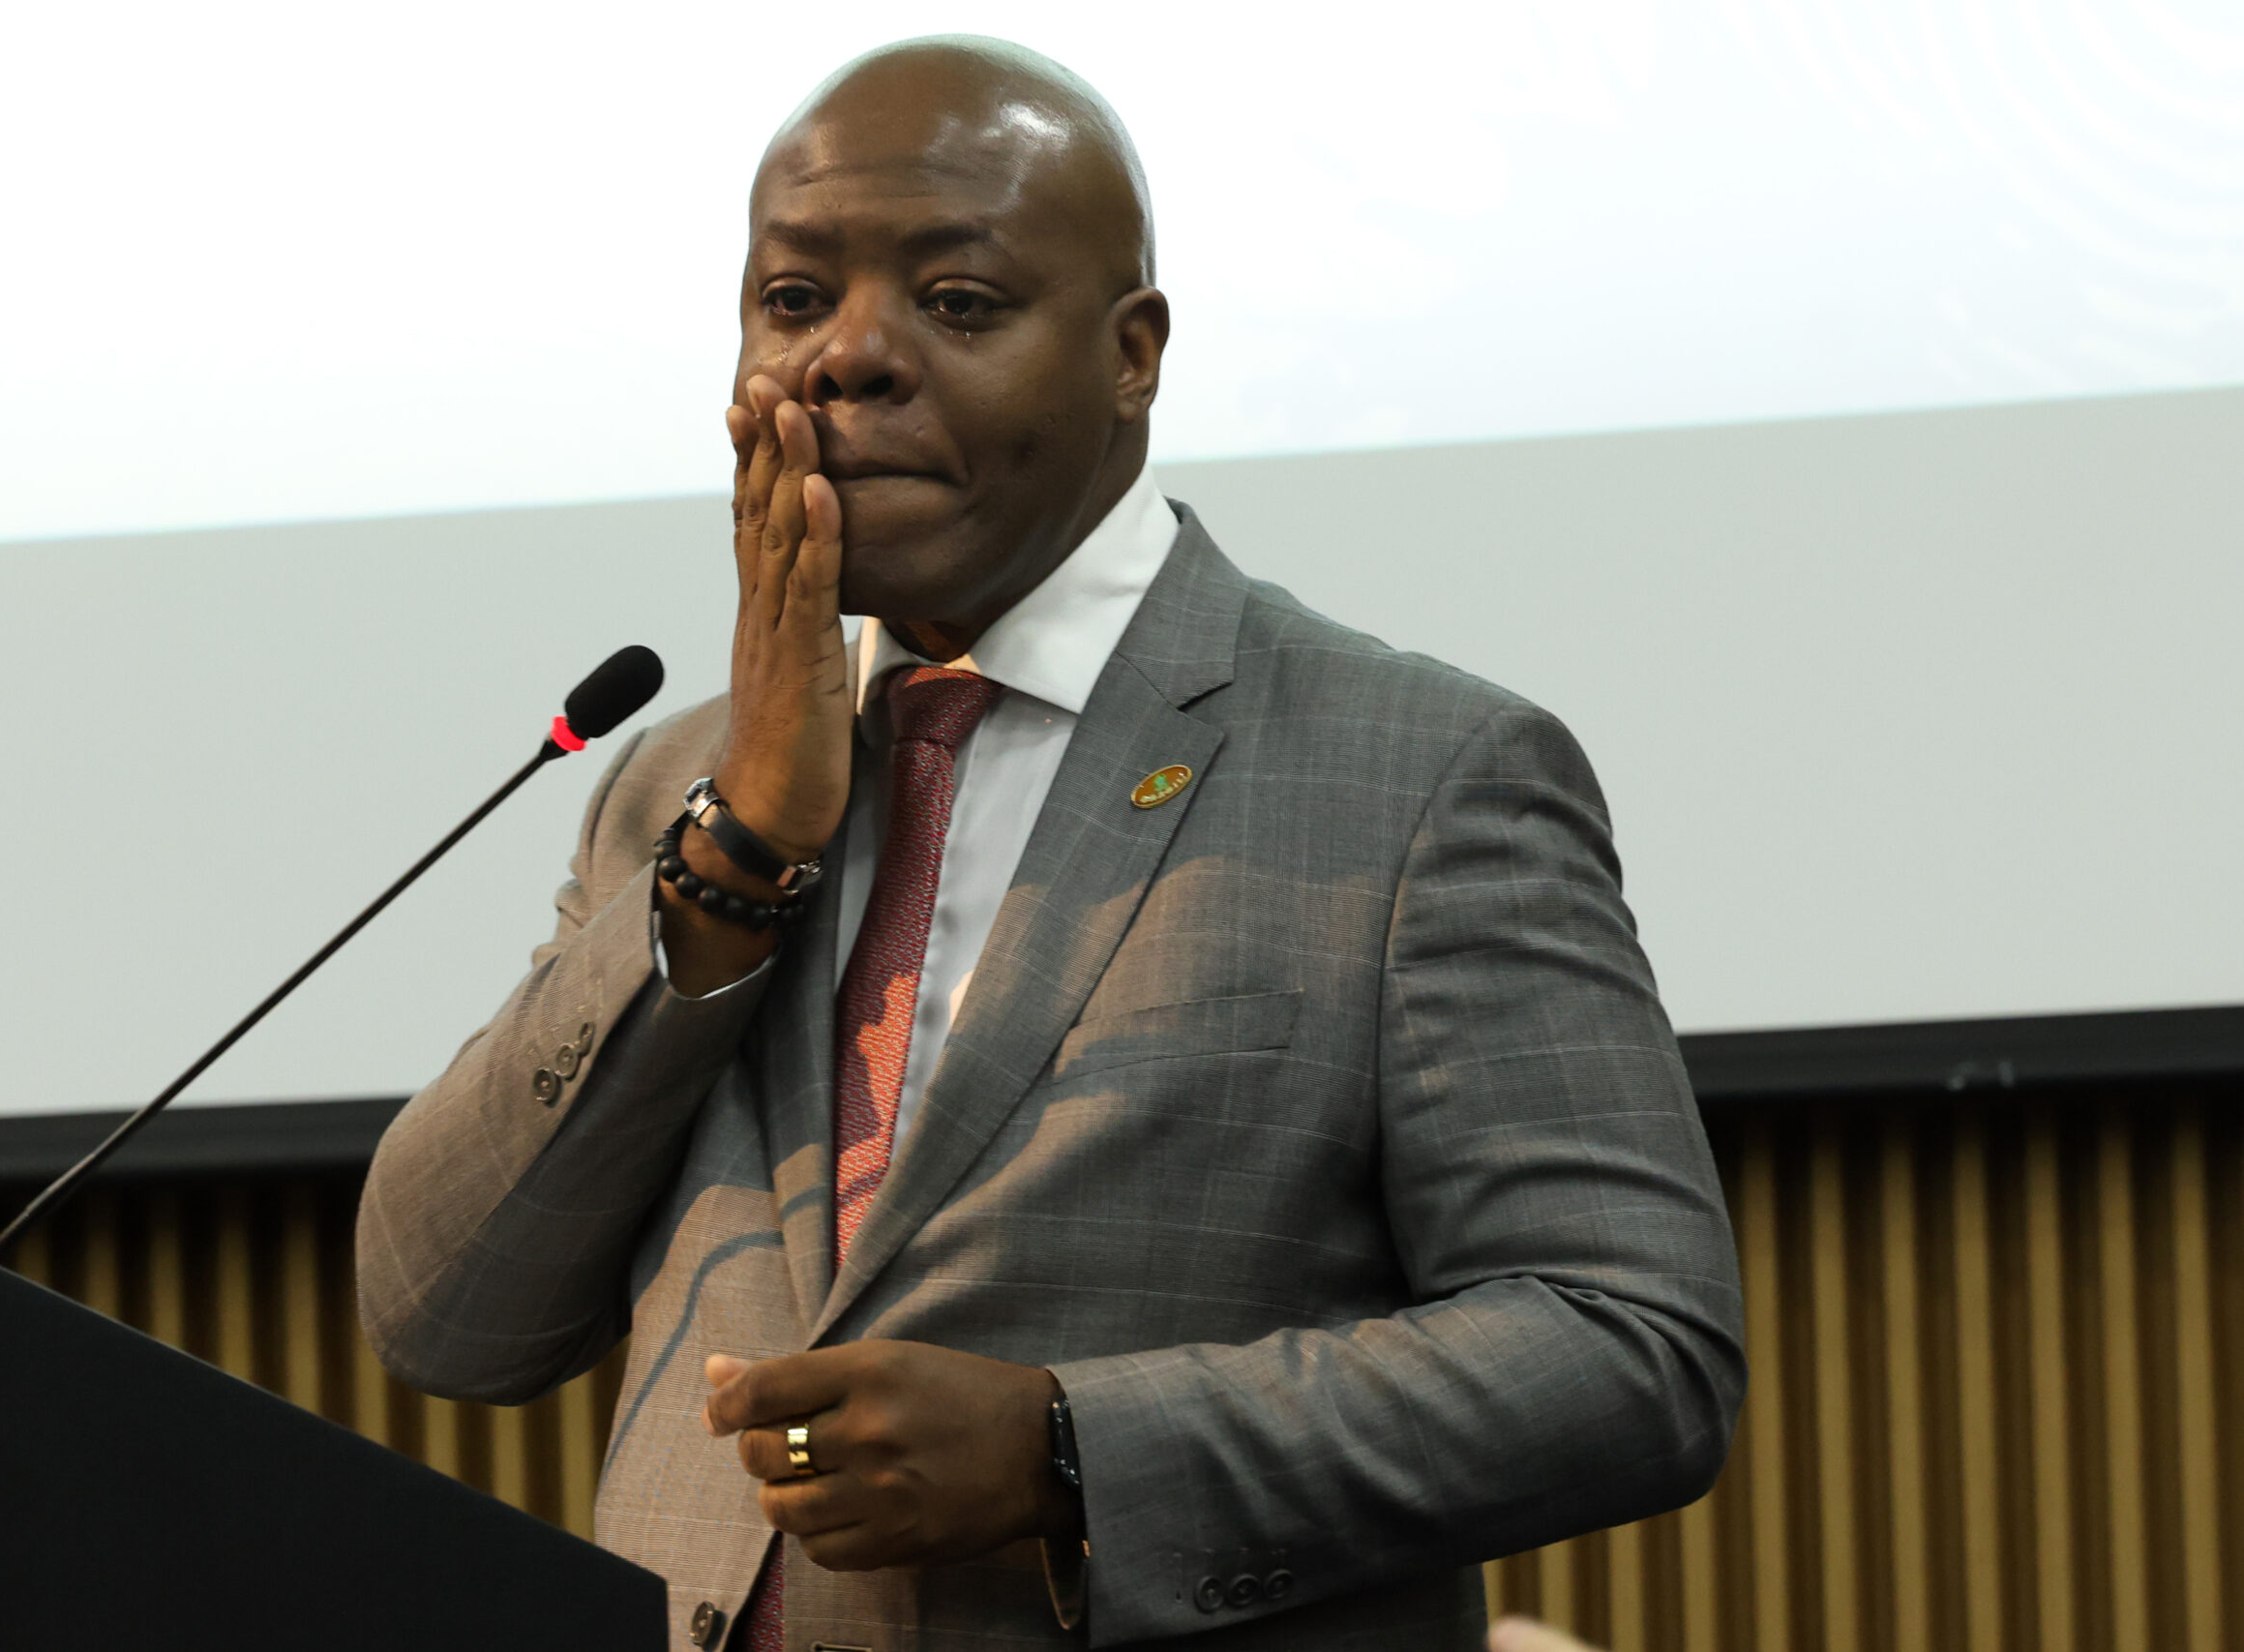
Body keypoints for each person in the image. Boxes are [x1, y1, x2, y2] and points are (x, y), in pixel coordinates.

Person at [357, 35, 1744, 1652]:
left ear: (1131, 355)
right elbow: (447, 1318)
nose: (846, 359)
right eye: (794, 299)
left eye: (957, 302)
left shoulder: (1417, 774)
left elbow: (1631, 1347)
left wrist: (1071, 1450)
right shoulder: (678, 792)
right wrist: (737, 853)